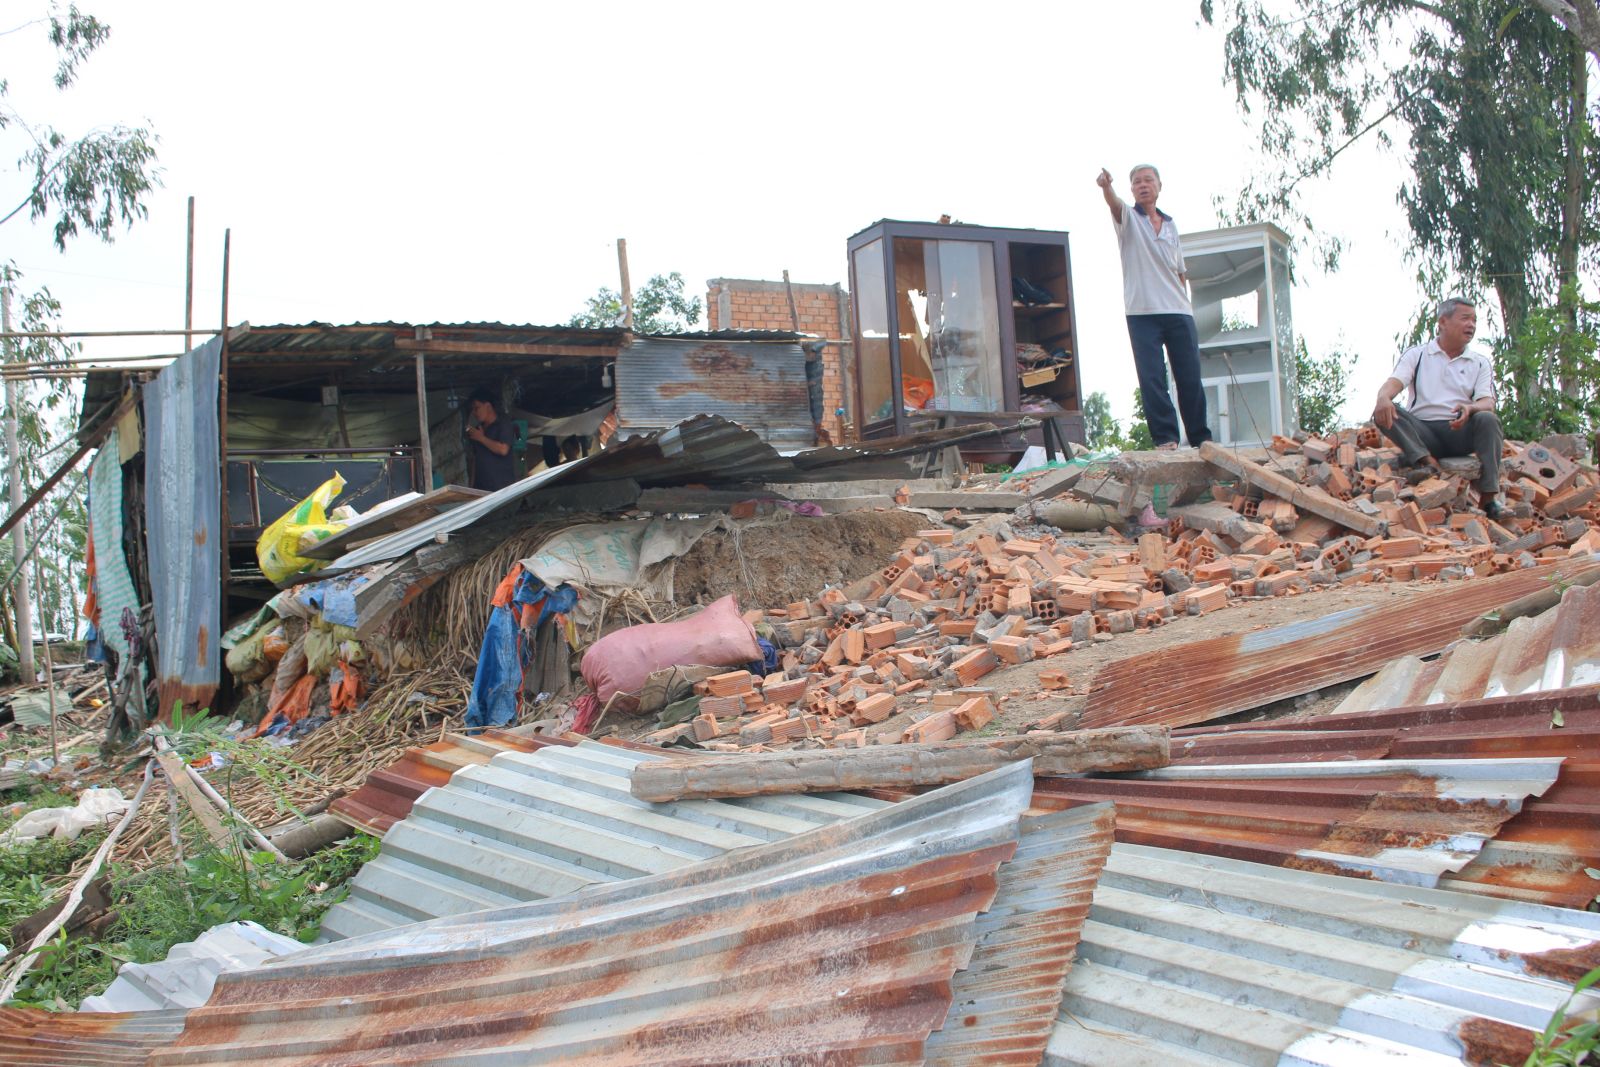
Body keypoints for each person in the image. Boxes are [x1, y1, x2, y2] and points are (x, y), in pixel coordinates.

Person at [1097, 163, 1211, 451]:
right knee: (1152, 378)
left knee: (1189, 376)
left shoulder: (1171, 225)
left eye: (1148, 180)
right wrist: (1107, 187)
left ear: (1160, 186)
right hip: (1142, 312)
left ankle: (1200, 438)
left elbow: (1180, 271)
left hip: (1178, 310)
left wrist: (1185, 302)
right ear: (1132, 189)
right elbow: (1114, 204)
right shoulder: (1128, 218)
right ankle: (1166, 438)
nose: (1143, 185)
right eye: (1137, 182)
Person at [1372, 297, 1503, 517]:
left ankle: (1488, 498)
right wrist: (1383, 397)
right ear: (1443, 322)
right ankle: (1428, 463)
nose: (1471, 325)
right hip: (1423, 432)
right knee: (1385, 411)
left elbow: (1487, 402)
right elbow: (1395, 382)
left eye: (1474, 320)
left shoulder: (1479, 362)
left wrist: (1470, 409)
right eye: (1465, 319)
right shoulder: (1417, 354)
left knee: (1488, 419)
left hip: (1458, 430)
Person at [465, 388, 516, 492]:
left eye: (477, 408)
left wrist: (481, 438)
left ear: (488, 406)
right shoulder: (479, 429)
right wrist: (471, 487)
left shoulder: (503, 424)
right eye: (472, 409)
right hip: (480, 487)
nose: (474, 412)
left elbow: (503, 449)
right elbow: (474, 460)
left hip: (501, 487)